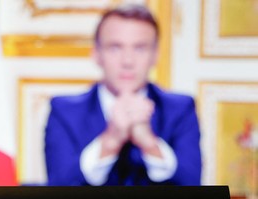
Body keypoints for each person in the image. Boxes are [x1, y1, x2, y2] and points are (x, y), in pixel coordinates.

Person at [44, 4, 201, 186]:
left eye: (140, 48)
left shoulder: (181, 109)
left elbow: (192, 189)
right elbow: (58, 190)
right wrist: (110, 140)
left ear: (155, 55)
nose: (128, 61)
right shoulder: (64, 111)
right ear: (96, 54)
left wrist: (149, 143)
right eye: (115, 48)